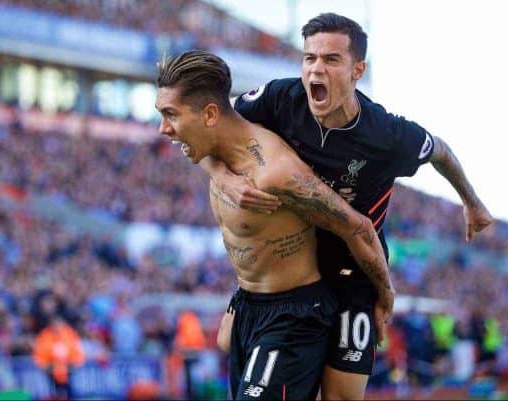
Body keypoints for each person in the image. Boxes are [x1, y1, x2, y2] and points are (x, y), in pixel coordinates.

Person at [201, 13, 493, 400]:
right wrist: (223, 177)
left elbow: (440, 150)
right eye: (309, 58)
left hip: (354, 272)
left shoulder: (386, 135)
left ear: (358, 70)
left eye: (330, 60)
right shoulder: (278, 99)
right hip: (293, 273)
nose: (316, 69)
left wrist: (472, 203)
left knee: (339, 396)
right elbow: (213, 131)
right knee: (240, 356)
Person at [155, 50, 394, 400]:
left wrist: (385, 292)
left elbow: (357, 228)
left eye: (170, 115)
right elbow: (198, 147)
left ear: (209, 114)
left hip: (294, 316)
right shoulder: (210, 145)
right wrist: (223, 177)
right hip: (249, 304)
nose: (163, 129)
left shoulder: (275, 173)